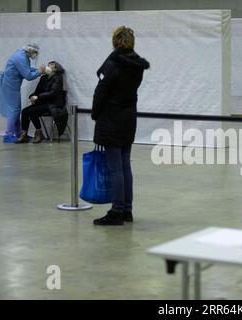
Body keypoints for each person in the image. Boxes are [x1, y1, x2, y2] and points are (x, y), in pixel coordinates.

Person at [92, 26, 150, 226]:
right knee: (125, 166)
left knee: (115, 168)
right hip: (128, 118)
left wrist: (95, 113)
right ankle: (127, 209)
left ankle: (116, 211)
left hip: (111, 118)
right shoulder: (137, 65)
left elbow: (101, 92)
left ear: (115, 41)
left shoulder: (112, 64)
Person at [0, 44, 45, 142]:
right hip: (10, 86)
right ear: (30, 51)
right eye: (35, 53)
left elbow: (26, 68)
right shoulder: (21, 58)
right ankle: (8, 135)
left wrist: (37, 70)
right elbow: (28, 75)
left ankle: (19, 134)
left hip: (10, 85)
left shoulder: (21, 55)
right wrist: (39, 72)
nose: (35, 55)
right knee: (15, 110)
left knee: (15, 109)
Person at [15, 61, 68, 144]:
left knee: (32, 112)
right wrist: (32, 97)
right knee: (25, 111)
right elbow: (37, 91)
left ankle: (39, 133)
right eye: (48, 64)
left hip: (52, 104)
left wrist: (38, 97)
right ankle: (24, 134)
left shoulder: (58, 77)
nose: (48, 66)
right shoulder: (43, 78)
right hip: (42, 103)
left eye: (51, 65)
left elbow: (53, 93)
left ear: (55, 68)